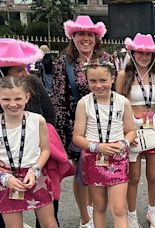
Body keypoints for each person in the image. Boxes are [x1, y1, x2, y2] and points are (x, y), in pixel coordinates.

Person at [0, 38, 72, 228]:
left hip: (36, 162)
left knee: (49, 217)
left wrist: (36, 144)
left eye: (25, 67)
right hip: (6, 173)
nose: (25, 73)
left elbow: (50, 116)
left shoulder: (33, 83)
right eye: (19, 70)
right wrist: (4, 176)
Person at [51, 15, 112, 228]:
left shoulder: (106, 58)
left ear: (96, 37)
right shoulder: (63, 61)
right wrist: (59, 136)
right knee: (81, 174)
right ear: (73, 36)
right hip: (74, 126)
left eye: (90, 34)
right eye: (81, 34)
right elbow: (57, 99)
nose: (86, 38)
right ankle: (85, 218)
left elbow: (114, 92)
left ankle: (98, 212)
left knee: (100, 170)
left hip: (103, 125)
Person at [72, 59, 136, 228]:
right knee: (99, 207)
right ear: (87, 80)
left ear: (113, 78)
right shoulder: (84, 103)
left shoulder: (123, 102)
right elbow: (77, 137)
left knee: (119, 209)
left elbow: (131, 131)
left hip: (118, 157)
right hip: (94, 157)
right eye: (93, 81)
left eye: (103, 80)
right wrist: (97, 146)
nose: (98, 85)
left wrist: (123, 143)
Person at [115, 33, 155, 228]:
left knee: (153, 176)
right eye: (140, 52)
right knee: (133, 178)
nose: (144, 56)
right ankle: (132, 214)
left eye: (149, 53)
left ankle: (152, 211)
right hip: (132, 133)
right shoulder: (123, 75)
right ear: (133, 53)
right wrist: (126, 133)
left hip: (153, 131)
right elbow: (117, 107)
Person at [0, 76, 58, 228]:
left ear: (27, 97)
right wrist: (5, 177)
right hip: (6, 178)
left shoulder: (38, 120)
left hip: (34, 174)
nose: (12, 104)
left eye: (18, 98)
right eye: (6, 99)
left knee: (49, 223)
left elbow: (45, 149)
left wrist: (35, 170)